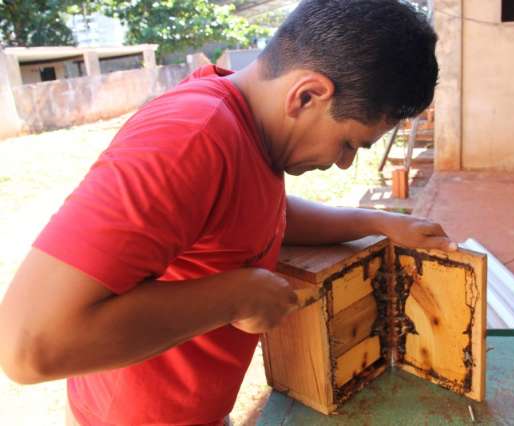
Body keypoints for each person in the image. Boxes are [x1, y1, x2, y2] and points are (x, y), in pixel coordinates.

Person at [0, 0, 451, 424]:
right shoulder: (190, 140)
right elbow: (28, 345)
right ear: (307, 95)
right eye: (350, 143)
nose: (345, 162)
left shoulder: (249, 135)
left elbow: (251, 215)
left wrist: (376, 222)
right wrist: (235, 296)